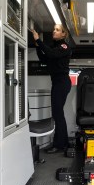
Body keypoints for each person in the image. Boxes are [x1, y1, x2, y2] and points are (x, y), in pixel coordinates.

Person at [31, 24, 73, 153]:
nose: (54, 31)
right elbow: (44, 58)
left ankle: (59, 144)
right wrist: (38, 47)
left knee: (57, 113)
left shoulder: (64, 46)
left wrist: (38, 40)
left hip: (62, 82)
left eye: (57, 30)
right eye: (53, 29)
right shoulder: (54, 47)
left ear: (63, 34)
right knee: (58, 113)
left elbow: (51, 54)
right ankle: (63, 142)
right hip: (57, 83)